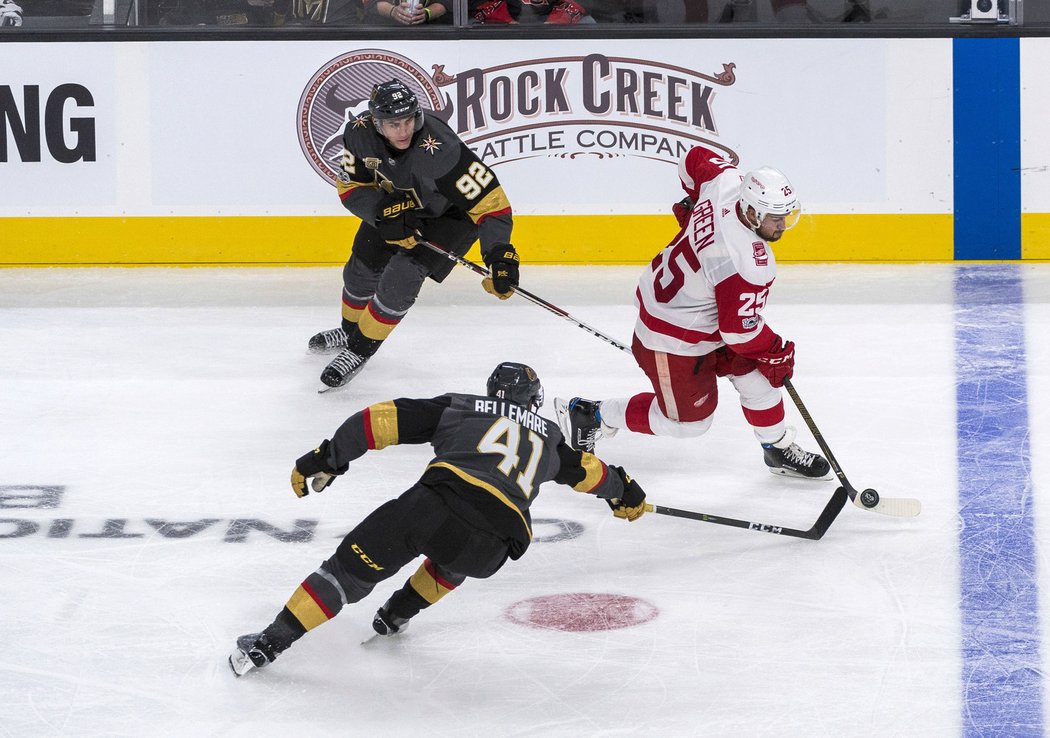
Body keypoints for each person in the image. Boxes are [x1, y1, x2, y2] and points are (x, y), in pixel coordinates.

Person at [229, 361, 646, 676]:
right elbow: (594, 474)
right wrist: (625, 493)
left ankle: (268, 643)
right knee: (455, 554)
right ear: (534, 402)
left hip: (432, 508)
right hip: (496, 545)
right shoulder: (552, 439)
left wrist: (327, 458)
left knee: (347, 573)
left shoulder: (462, 406)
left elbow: (376, 422)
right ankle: (395, 615)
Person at [554, 146, 831, 480]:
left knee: (757, 381)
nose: (783, 224)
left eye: (786, 214)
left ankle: (776, 448)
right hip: (671, 334)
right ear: (752, 212)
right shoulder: (747, 261)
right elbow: (739, 332)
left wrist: (691, 203)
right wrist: (775, 350)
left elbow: (693, 157)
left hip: (697, 306)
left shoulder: (726, 183)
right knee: (690, 424)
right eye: (774, 217)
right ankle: (593, 415)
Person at [309, 79, 520, 388]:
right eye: (394, 123)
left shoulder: (441, 148)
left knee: (401, 277)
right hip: (396, 207)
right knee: (360, 269)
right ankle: (351, 329)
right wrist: (381, 214)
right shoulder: (359, 135)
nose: (404, 130)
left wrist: (500, 255)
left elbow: (491, 204)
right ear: (376, 122)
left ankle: (358, 350)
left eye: (408, 120)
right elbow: (351, 187)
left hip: (449, 217)